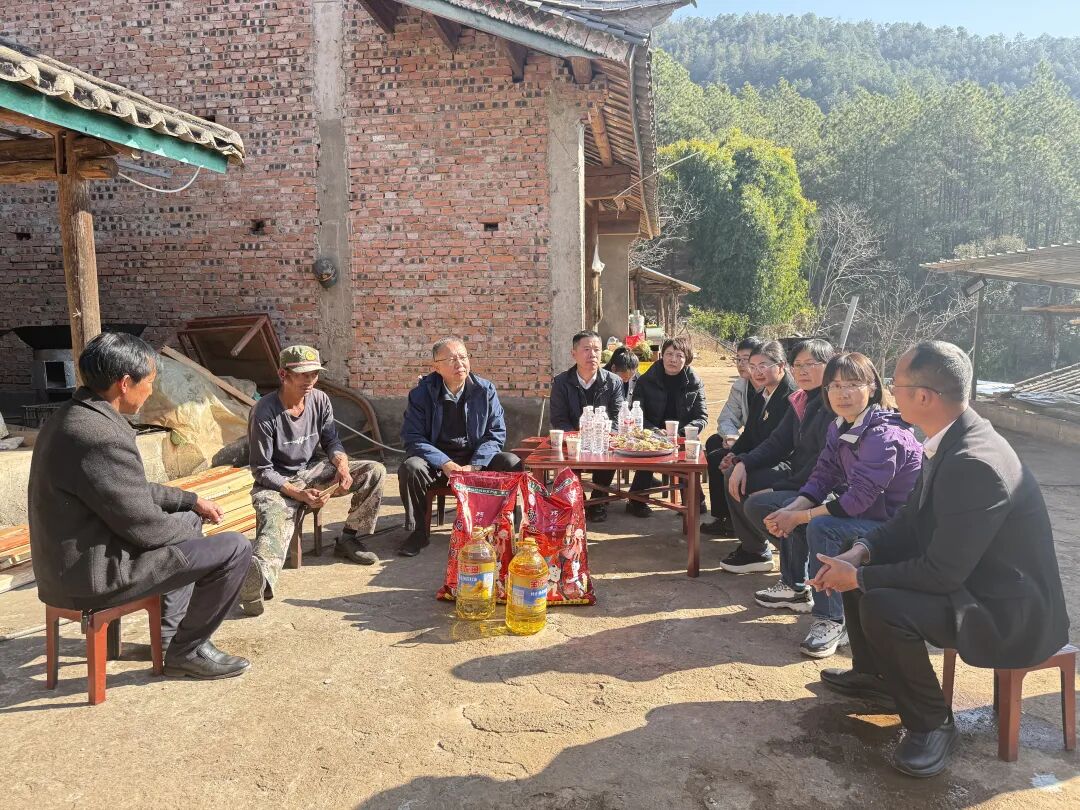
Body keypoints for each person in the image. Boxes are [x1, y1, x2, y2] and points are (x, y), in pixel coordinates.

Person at [810, 341, 1069, 778]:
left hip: (1006, 610)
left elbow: (942, 573)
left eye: (896, 384)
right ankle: (875, 676)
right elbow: (909, 519)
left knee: (880, 602)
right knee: (857, 564)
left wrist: (860, 577)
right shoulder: (950, 437)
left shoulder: (974, 462)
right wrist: (860, 551)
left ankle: (932, 724)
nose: (890, 391)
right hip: (975, 581)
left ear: (924, 397)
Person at [28, 332, 252, 679]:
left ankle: (169, 638)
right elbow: (144, 528)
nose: (150, 391)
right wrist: (200, 541)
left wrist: (191, 501)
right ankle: (187, 651)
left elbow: (126, 489)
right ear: (124, 383)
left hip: (71, 563)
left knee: (189, 520)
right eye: (149, 382)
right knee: (235, 548)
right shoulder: (99, 435)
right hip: (92, 576)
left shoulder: (72, 416)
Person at [764, 352, 922, 659]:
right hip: (869, 515)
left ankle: (831, 619)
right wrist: (791, 511)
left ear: (872, 388)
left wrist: (801, 516)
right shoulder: (840, 426)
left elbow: (857, 499)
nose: (842, 393)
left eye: (852, 384)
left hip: (897, 526)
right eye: (835, 386)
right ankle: (798, 585)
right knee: (783, 509)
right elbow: (822, 476)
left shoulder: (884, 434)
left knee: (823, 526)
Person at [242, 345, 387, 616]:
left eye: (314, 374)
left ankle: (348, 539)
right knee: (274, 519)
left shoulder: (320, 400)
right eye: (302, 374)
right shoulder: (264, 412)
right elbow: (261, 469)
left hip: (311, 471)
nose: (310, 380)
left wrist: (342, 466)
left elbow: (332, 441)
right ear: (283, 374)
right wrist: (297, 494)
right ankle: (260, 583)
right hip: (277, 482)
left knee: (374, 471)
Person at [398, 337, 523, 557]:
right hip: (437, 465)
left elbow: (495, 433)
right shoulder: (421, 394)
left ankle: (508, 528)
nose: (460, 364)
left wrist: (475, 465)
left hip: (475, 460)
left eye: (463, 357)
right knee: (411, 468)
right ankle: (419, 532)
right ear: (436, 367)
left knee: (511, 462)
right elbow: (413, 437)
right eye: (452, 359)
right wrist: (444, 463)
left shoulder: (484, 390)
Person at [721, 339, 834, 578]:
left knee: (759, 503)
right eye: (798, 365)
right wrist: (743, 461)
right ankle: (758, 552)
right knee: (735, 475)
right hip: (799, 474)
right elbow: (776, 442)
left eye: (810, 364)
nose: (802, 371)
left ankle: (799, 569)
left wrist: (777, 487)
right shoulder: (801, 399)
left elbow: (823, 464)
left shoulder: (831, 406)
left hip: (821, 486)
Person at [702, 340, 795, 534]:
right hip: (762, 453)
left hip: (786, 462)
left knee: (740, 475)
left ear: (781, 366)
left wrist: (743, 460)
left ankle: (753, 541)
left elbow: (778, 445)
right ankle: (729, 520)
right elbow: (750, 432)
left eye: (763, 366)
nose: (757, 372)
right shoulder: (762, 394)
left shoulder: (791, 397)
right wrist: (733, 454)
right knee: (719, 456)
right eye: (752, 366)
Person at [627, 336, 708, 517]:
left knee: (687, 453)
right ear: (661, 356)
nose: (673, 359)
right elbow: (636, 414)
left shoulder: (694, 381)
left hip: (682, 436)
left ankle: (694, 500)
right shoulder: (646, 380)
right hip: (651, 434)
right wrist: (655, 431)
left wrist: (680, 433)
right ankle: (637, 501)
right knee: (648, 451)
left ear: (687, 359)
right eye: (669, 354)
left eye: (679, 355)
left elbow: (701, 417)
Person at [550, 330, 626, 522]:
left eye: (596, 350)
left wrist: (607, 435)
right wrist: (575, 437)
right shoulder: (561, 382)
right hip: (573, 438)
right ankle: (579, 499)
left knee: (609, 452)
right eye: (586, 349)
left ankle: (598, 500)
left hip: (603, 439)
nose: (592, 354)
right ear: (573, 353)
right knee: (567, 455)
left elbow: (617, 417)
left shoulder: (614, 381)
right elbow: (559, 418)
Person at [714, 336, 764, 448]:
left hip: (768, 445)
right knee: (714, 441)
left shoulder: (771, 386)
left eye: (745, 359)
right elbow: (727, 418)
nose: (740, 364)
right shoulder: (739, 387)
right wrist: (731, 437)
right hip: (749, 441)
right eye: (738, 359)